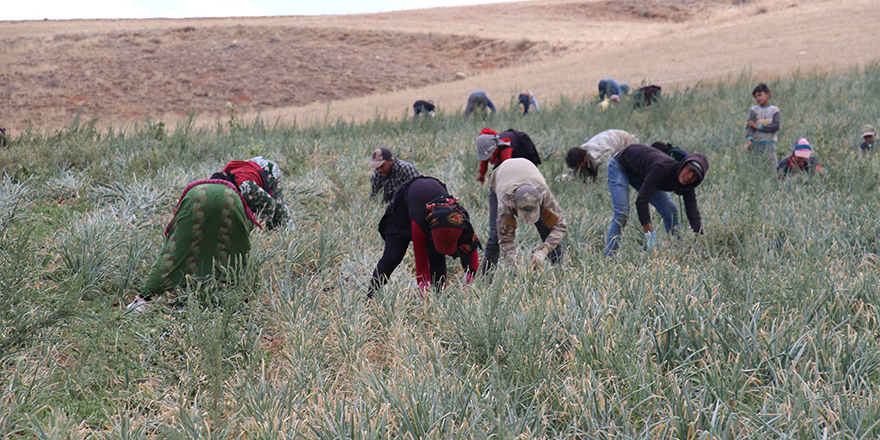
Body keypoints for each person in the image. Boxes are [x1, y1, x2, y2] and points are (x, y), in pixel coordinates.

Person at [128, 172, 264, 312]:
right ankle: (242, 299)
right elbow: (245, 229)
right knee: (236, 253)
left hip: (196, 196)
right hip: (231, 200)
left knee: (176, 250)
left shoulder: (197, 187)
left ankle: (142, 300)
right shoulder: (233, 190)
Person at [368, 176, 480, 296]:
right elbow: (421, 266)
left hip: (433, 204)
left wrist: (469, 286)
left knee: (437, 259)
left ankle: (439, 298)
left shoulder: (460, 222)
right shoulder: (420, 225)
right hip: (404, 209)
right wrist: (425, 299)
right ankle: (371, 297)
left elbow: (471, 253)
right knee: (393, 256)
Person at [605, 144, 709, 256]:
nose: (689, 177)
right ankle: (610, 258)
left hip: (642, 174)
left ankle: (679, 252)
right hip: (621, 166)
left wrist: (700, 240)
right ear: (683, 164)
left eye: (694, 176)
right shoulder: (662, 168)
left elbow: (693, 213)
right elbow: (641, 201)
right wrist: (650, 236)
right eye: (689, 170)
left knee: (670, 210)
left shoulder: (688, 185)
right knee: (622, 214)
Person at [475, 128, 542, 272]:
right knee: (495, 234)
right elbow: (484, 161)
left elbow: (509, 174)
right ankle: (487, 277)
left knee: (541, 220)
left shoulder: (505, 150)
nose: (487, 158)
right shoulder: (488, 148)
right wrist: (481, 178)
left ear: (494, 149)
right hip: (504, 172)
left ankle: (558, 263)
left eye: (489, 155)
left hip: (519, 161)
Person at [487, 158, 566, 270]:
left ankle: (559, 271)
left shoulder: (544, 193)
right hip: (501, 178)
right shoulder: (506, 201)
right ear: (514, 203)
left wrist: (543, 251)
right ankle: (487, 279)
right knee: (495, 236)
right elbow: (506, 239)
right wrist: (513, 265)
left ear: (539, 201)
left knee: (547, 230)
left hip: (530, 173)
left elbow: (561, 226)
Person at [221, 156, 292, 230]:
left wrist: (259, 228)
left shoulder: (247, 187)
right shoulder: (221, 185)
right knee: (250, 205)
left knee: (279, 208)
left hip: (267, 170)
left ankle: (289, 231)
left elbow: (269, 203)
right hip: (249, 169)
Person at [564, 129, 640, 182]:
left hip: (624, 140)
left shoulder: (601, 158)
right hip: (607, 140)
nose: (576, 169)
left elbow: (604, 185)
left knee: (635, 173)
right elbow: (576, 178)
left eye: (578, 166)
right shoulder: (577, 157)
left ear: (585, 158)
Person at [745, 82, 781, 168]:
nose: (757, 98)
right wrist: (749, 140)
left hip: (769, 145)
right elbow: (749, 126)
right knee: (756, 170)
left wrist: (759, 127)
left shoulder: (774, 110)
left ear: (768, 94)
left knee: (772, 170)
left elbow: (776, 126)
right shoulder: (754, 110)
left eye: (759, 95)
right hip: (756, 146)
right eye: (756, 96)